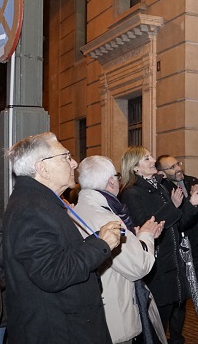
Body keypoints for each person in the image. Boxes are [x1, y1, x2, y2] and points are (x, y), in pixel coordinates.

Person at [0, 132, 122, 343]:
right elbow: (52, 273)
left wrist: (96, 239)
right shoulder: (32, 209)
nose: (74, 163)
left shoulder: (40, 202)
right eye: (66, 157)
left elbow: (58, 255)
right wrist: (101, 244)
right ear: (43, 168)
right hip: (59, 332)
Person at [120, 147, 198, 344]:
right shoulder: (132, 193)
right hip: (156, 267)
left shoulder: (161, 187)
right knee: (155, 323)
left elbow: (178, 224)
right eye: (146, 158)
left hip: (173, 264)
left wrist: (192, 204)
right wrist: (172, 206)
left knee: (172, 317)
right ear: (135, 168)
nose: (153, 159)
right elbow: (148, 226)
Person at [74, 155, 168, 344]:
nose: (119, 180)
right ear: (110, 181)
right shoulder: (106, 218)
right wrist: (146, 236)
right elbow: (138, 266)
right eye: (116, 176)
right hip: (114, 318)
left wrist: (135, 238)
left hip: (94, 314)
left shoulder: (76, 210)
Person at [156, 155, 198, 344]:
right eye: (171, 167)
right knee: (179, 301)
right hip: (179, 253)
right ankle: (176, 337)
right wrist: (190, 202)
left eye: (178, 164)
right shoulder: (162, 190)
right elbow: (177, 220)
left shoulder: (193, 181)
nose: (178, 168)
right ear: (162, 173)